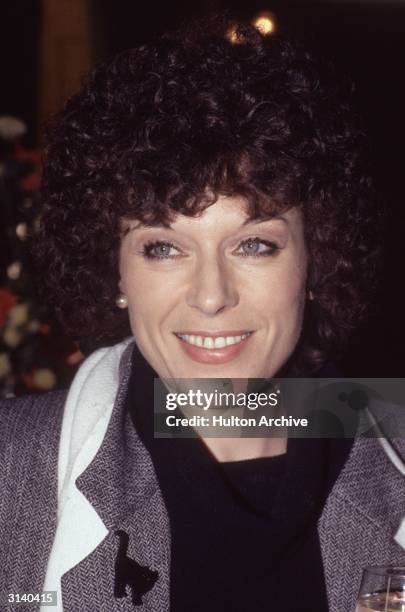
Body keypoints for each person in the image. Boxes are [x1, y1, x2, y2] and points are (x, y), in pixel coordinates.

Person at [1, 16, 405, 612]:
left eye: (254, 244)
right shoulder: (11, 471)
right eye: (163, 247)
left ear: (315, 258)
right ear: (115, 270)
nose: (211, 296)